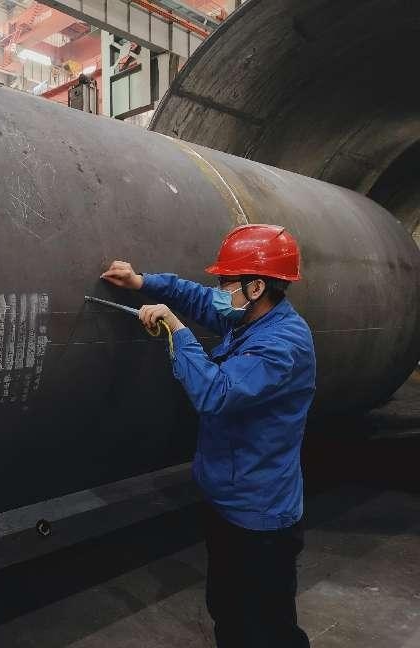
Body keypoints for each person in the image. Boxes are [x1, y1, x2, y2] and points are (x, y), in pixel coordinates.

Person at [101, 224, 315, 648]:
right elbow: (198, 298)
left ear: (256, 286)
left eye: (226, 283)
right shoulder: (249, 315)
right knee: (228, 610)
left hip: (259, 514)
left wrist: (178, 331)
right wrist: (142, 282)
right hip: (229, 500)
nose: (218, 291)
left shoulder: (282, 344)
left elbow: (216, 393)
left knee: (266, 628)